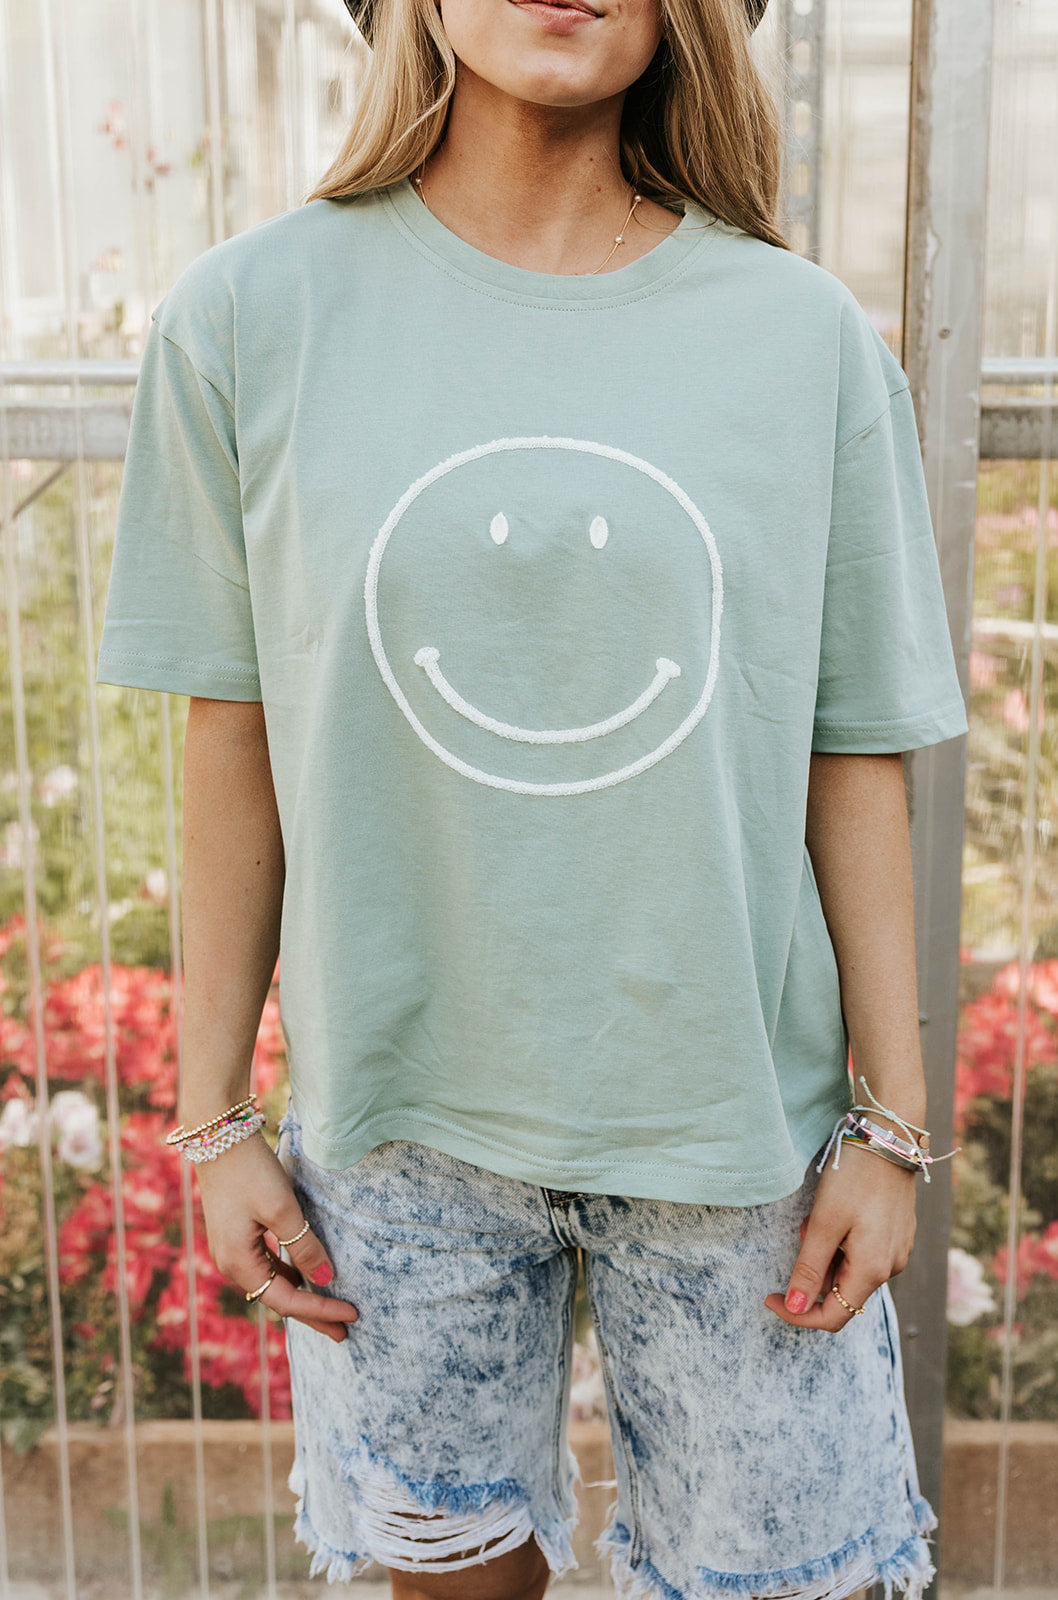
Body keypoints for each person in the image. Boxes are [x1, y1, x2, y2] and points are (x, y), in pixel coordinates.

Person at [96, 0, 970, 1595]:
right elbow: (233, 739)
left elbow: (852, 745)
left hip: (736, 1139)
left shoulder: (803, 337)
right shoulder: (249, 316)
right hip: (398, 1132)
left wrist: (893, 1130)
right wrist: (215, 1121)